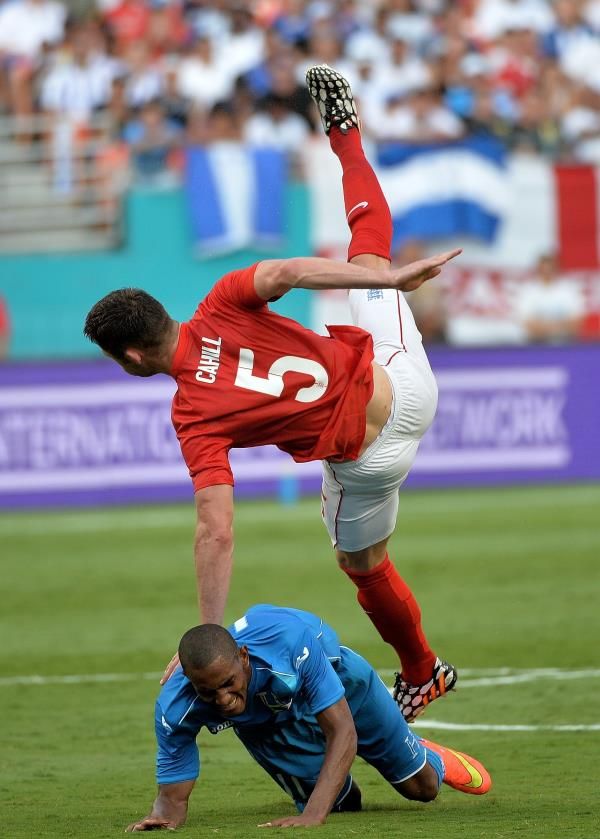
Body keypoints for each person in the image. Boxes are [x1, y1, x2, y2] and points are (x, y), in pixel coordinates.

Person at [84, 64, 461, 721]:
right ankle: (346, 137)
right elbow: (287, 269)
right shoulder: (224, 297)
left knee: (361, 561)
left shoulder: (192, 415)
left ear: (134, 355)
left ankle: (422, 670)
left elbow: (217, 529)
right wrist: (391, 282)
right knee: (370, 260)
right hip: (403, 380)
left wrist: (208, 633)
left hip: (368, 460)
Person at [127, 604, 491, 832]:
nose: (223, 700)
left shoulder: (289, 645)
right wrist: (164, 818)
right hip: (269, 727)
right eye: (209, 692)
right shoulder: (175, 707)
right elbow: (171, 796)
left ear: (244, 657)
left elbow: (342, 730)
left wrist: (313, 815)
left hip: (345, 688)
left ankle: (430, 758)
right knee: (344, 804)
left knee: (421, 789)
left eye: (229, 684)